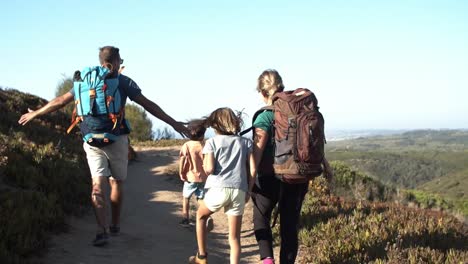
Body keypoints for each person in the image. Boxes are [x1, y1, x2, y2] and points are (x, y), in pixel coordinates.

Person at [18, 46, 189, 246]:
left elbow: (60, 101)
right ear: (115, 62)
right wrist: (174, 123)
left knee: (97, 186)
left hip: (90, 139)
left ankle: (101, 231)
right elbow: (148, 104)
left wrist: (36, 113)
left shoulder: (83, 81)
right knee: (116, 182)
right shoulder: (122, 81)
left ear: (101, 61)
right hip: (116, 139)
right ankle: (115, 225)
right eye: (120, 60)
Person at [251, 69, 333, 264]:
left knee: (260, 217)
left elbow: (257, 154)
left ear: (263, 93)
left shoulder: (264, 117)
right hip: (296, 175)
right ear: (281, 87)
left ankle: (267, 260)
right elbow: (310, 142)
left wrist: (248, 181)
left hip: (268, 177)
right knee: (289, 226)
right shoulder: (297, 112)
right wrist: (325, 165)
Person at [189, 107, 256, 264]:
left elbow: (209, 169)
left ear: (215, 125)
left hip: (218, 189)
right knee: (234, 238)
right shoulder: (246, 142)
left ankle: (202, 256)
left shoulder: (211, 142)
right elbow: (252, 169)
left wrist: (205, 159)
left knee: (201, 216)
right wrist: (249, 191)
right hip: (239, 190)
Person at [178, 119, 209, 227]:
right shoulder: (205, 145)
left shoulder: (187, 145)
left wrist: (181, 172)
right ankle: (206, 216)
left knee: (186, 198)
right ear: (203, 134)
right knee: (201, 198)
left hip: (190, 177)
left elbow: (182, 160)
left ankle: (185, 218)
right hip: (204, 177)